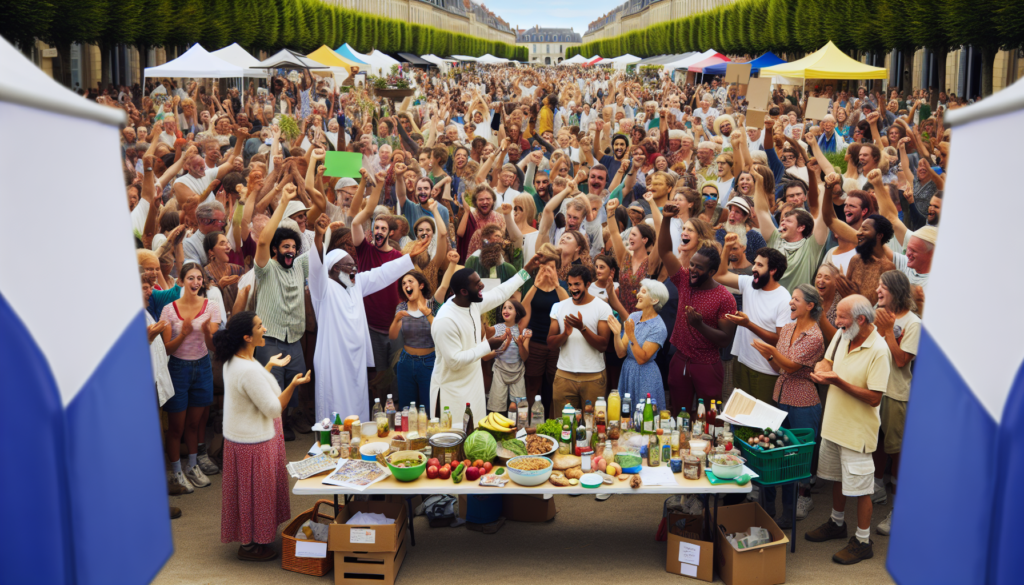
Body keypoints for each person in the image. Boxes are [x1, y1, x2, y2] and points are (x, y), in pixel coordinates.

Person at [309, 210, 429, 422]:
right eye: (349, 266)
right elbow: (316, 268)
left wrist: (409, 257)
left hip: (355, 358)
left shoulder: (357, 283)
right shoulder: (323, 288)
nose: (355, 268)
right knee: (335, 406)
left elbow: (382, 273)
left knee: (358, 404)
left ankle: (358, 434)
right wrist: (319, 237)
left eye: (355, 265)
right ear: (334, 269)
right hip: (333, 358)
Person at [214, 311, 310, 562]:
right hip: (253, 442)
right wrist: (293, 384)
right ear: (247, 336)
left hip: (241, 439)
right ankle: (250, 547)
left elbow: (250, 388)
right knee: (257, 494)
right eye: (259, 326)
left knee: (248, 495)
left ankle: (249, 539)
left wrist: (268, 366)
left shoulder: (236, 360)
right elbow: (273, 408)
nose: (264, 329)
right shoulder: (248, 369)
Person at [807, 295, 891, 565]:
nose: (836, 322)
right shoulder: (844, 334)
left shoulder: (879, 350)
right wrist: (822, 370)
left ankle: (863, 541)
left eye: (841, 317)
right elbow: (827, 361)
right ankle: (836, 523)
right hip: (833, 425)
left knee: (862, 488)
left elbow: (875, 397)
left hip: (858, 432)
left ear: (861, 319)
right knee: (837, 478)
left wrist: (838, 382)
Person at [430, 256, 542, 420]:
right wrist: (488, 345)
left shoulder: (473, 303)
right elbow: (454, 361)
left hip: (473, 384)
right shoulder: (445, 320)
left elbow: (501, 292)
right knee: (452, 438)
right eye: (477, 284)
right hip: (451, 390)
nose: (482, 285)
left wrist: (526, 271)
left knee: (475, 433)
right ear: (463, 292)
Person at [751, 284, 825, 527]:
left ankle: (789, 515)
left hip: (803, 402)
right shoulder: (788, 329)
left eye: (796, 299)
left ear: (810, 306)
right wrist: (770, 356)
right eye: (791, 298)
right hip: (780, 397)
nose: (790, 303)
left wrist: (772, 352)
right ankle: (767, 508)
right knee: (772, 455)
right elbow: (779, 367)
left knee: (794, 462)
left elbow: (792, 366)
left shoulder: (814, 336)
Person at [659, 202, 737, 415]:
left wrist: (699, 325)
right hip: (680, 359)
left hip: (707, 365)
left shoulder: (725, 297)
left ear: (712, 271)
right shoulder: (684, 280)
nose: (692, 270)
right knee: (679, 415)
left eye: (698, 268)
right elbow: (665, 251)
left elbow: (724, 339)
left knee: (710, 419)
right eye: (692, 264)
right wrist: (666, 219)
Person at [159, 262, 221, 492]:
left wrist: (206, 332)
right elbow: (166, 349)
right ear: (181, 281)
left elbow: (213, 345)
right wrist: (183, 334)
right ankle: (176, 471)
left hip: (202, 366)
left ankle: (192, 466)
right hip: (177, 368)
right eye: (190, 278)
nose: (195, 283)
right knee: (177, 426)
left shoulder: (211, 306)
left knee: (195, 424)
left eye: (199, 278)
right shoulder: (169, 309)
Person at [714, 236, 793, 405]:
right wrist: (727, 248)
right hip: (741, 361)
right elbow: (720, 275)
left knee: (760, 425)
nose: (754, 268)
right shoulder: (750, 283)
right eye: (755, 263)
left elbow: (780, 340)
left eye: (759, 265)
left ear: (773, 270)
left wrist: (748, 325)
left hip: (765, 370)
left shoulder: (784, 299)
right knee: (739, 417)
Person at [872, 270, 921, 535]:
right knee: (876, 442)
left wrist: (889, 331)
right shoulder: (875, 311)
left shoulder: (913, 322)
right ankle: (878, 489)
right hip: (874, 390)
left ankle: (899, 506)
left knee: (896, 450)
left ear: (897, 290)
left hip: (896, 393)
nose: (878, 290)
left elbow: (902, 360)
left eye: (883, 286)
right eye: (878, 285)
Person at [547, 265, 614, 412]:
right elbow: (550, 343)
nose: (573, 288)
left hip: (594, 377)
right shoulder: (558, 307)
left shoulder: (602, 307)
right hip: (564, 376)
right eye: (570, 285)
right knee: (563, 426)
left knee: (594, 427)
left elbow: (603, 345)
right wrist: (565, 334)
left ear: (588, 284)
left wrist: (582, 328)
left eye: (577, 284)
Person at [752, 167, 828, 292]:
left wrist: (823, 184)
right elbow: (761, 211)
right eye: (782, 220)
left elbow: (823, 215)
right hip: (771, 301)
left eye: (788, 220)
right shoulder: (775, 238)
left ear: (801, 227)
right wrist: (759, 182)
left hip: (798, 305)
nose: (782, 222)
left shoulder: (811, 245)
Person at [391, 259, 455, 408]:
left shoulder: (433, 304)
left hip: (429, 363)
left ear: (420, 285)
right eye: (404, 283)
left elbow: (444, 286)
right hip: (405, 363)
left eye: (410, 282)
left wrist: (452, 262)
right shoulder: (401, 307)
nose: (407, 285)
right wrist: (396, 320)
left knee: (429, 409)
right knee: (407, 410)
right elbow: (393, 337)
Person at [607, 279, 669, 415]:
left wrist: (631, 336)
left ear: (654, 300)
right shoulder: (633, 317)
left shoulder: (659, 327)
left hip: (646, 375)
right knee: (625, 415)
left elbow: (642, 359)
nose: (638, 295)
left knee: (645, 416)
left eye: (644, 292)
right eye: (640, 291)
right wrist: (617, 334)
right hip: (628, 371)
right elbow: (621, 353)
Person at [522, 245, 570, 417]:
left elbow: (568, 307)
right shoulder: (532, 285)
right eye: (543, 268)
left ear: (556, 268)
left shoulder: (562, 287)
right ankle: (527, 421)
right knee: (532, 384)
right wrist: (535, 285)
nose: (546, 272)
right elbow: (523, 308)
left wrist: (556, 284)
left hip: (555, 345)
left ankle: (552, 420)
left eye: (550, 268)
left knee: (554, 385)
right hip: (535, 343)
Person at [483, 300, 531, 413]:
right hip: (500, 371)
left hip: (517, 372)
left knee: (519, 408)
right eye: (504, 308)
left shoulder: (523, 331)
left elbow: (524, 358)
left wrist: (520, 343)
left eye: (510, 308)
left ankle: (517, 428)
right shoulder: (497, 328)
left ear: (517, 313)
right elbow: (485, 337)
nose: (506, 310)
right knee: (496, 408)